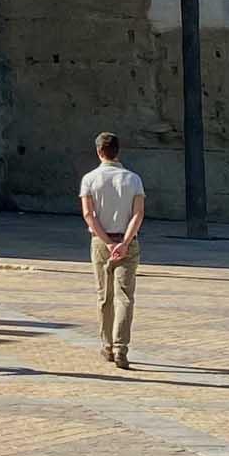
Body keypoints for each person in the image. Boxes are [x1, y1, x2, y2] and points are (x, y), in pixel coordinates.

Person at [79, 131, 145, 369]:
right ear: (118, 151)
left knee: (104, 296)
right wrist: (125, 242)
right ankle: (121, 348)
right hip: (128, 241)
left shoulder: (89, 179)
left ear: (99, 152)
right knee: (125, 297)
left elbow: (88, 214)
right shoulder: (133, 179)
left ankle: (106, 345)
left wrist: (107, 241)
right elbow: (138, 213)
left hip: (100, 242)